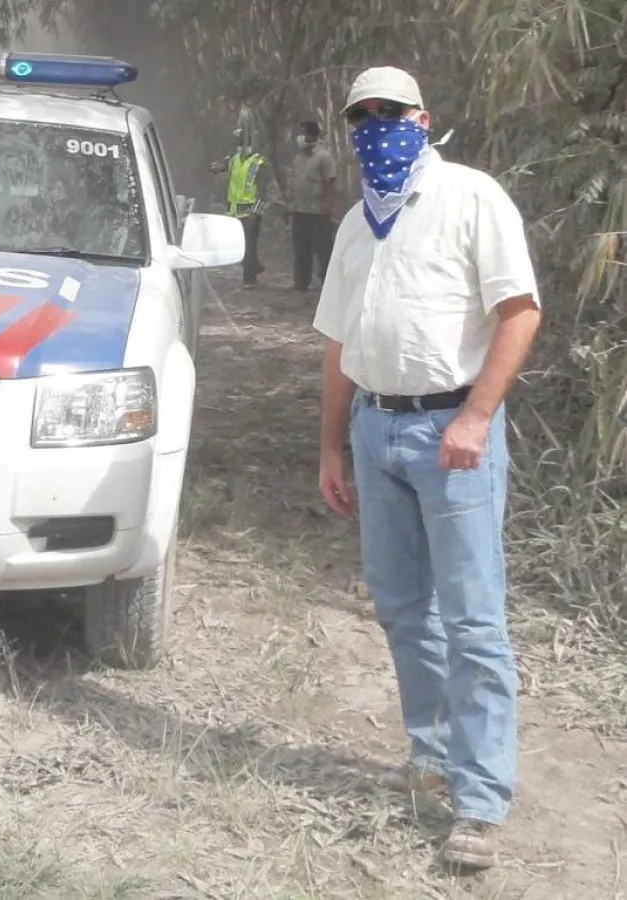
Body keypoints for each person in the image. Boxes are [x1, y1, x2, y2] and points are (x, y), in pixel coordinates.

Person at [312, 66, 541, 870]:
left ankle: (478, 803)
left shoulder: (472, 197)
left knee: (472, 620)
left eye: (391, 111)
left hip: (453, 433)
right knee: (404, 608)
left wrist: (475, 416)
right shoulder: (354, 225)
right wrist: (330, 445)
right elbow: (338, 344)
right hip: (376, 432)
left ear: (422, 117)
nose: (376, 124)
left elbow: (519, 312)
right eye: (362, 115)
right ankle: (432, 754)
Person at [209, 111, 270, 286]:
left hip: (250, 211)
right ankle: (254, 266)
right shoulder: (234, 159)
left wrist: (255, 212)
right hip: (235, 211)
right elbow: (217, 167)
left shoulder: (259, 163)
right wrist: (215, 167)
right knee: (243, 245)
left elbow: (263, 191)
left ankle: (249, 279)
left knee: (248, 245)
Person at [288, 120, 338, 291]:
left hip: (318, 211)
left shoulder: (324, 157)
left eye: (303, 134)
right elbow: (295, 181)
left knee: (323, 249)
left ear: (312, 135)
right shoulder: (298, 158)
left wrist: (329, 206)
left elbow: (330, 183)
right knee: (301, 249)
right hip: (299, 210)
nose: (300, 137)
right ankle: (301, 282)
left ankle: (327, 283)